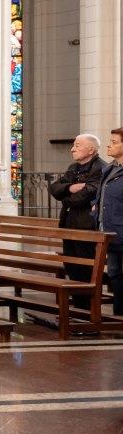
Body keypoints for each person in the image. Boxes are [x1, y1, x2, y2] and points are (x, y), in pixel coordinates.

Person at [48, 134, 106, 310]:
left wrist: (66, 197)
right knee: (72, 266)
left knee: (85, 269)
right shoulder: (73, 167)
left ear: (91, 150)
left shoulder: (100, 168)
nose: (72, 149)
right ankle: (79, 308)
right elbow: (54, 188)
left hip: (86, 226)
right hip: (69, 224)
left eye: (77, 145)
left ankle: (87, 310)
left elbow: (86, 197)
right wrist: (69, 188)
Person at [94, 127, 123, 315]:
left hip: (121, 229)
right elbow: (102, 196)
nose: (109, 145)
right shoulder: (110, 168)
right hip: (109, 231)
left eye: (114, 142)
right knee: (114, 272)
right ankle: (119, 314)